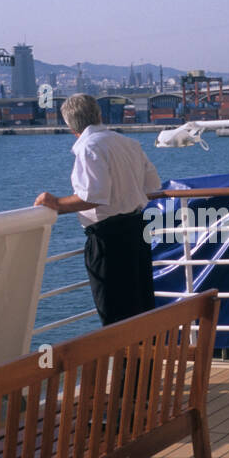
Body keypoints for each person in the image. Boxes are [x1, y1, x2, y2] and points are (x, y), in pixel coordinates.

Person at [35, 94, 161, 325]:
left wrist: (56, 203)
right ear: (99, 115)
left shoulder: (88, 147)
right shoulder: (128, 143)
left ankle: (124, 362)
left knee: (114, 314)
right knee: (141, 309)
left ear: (70, 125)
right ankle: (145, 362)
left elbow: (93, 197)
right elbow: (153, 186)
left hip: (109, 239)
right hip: (137, 231)